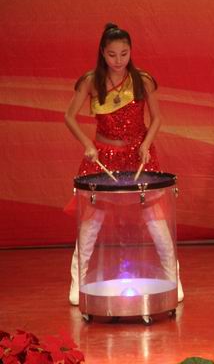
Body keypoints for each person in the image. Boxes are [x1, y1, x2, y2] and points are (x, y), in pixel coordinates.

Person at [64, 23, 183, 305]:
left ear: (131, 52)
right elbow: (69, 116)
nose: (118, 60)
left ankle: (173, 278)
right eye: (112, 55)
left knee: (156, 222)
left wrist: (146, 144)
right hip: (103, 155)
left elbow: (157, 118)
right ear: (102, 53)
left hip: (138, 154)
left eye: (124, 54)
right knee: (90, 224)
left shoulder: (142, 80)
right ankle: (78, 281)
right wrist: (88, 144)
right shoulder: (91, 81)